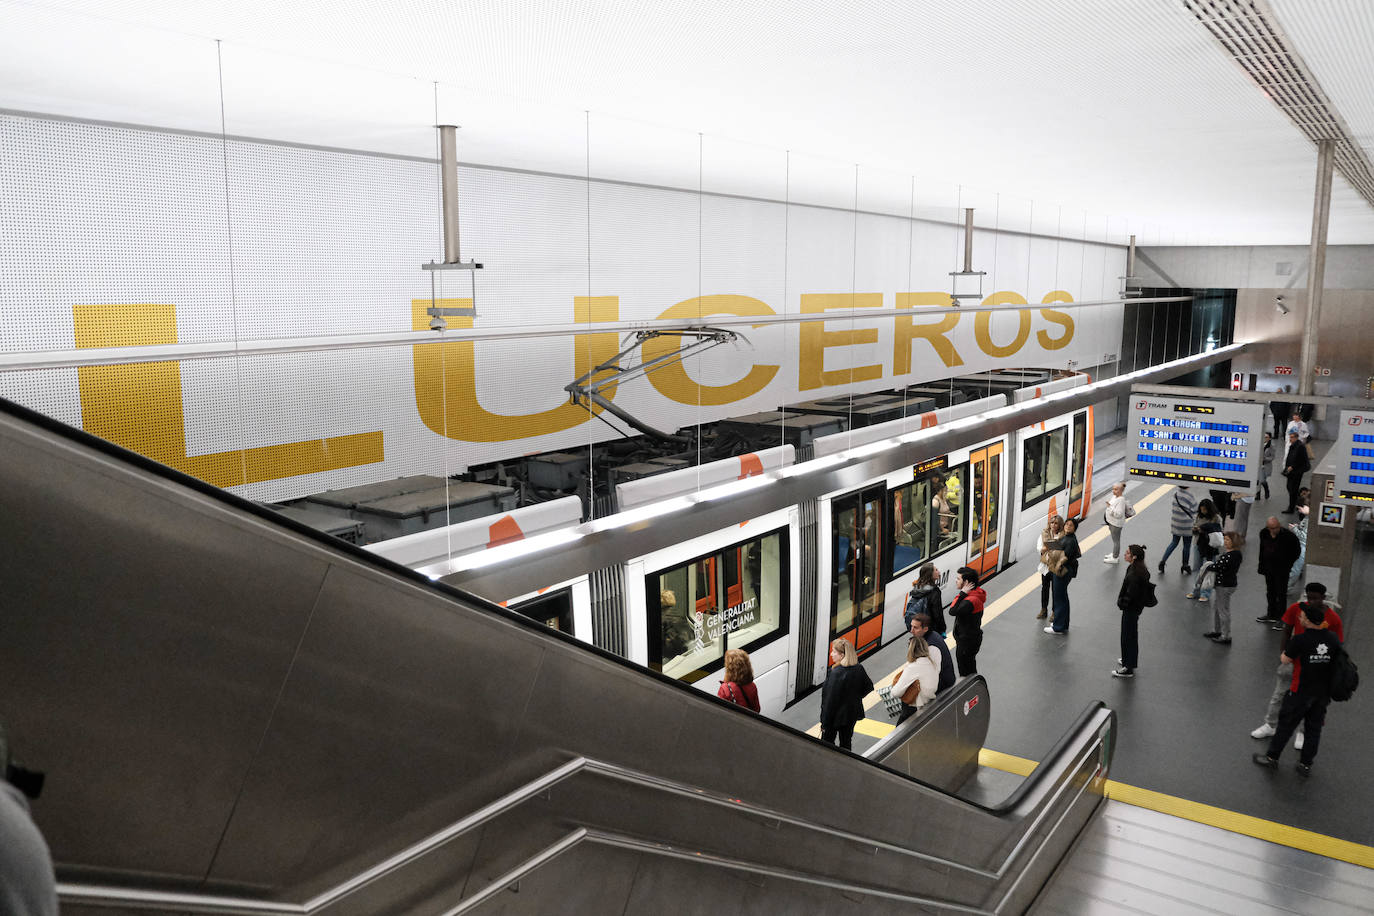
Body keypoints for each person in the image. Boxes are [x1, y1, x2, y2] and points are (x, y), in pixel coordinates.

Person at [1252, 603, 1341, 776]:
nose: (1300, 618)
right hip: (1322, 693)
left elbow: (1285, 659)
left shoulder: (1300, 640)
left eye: (1302, 616)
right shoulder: (1332, 638)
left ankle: (1272, 758)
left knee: (1286, 725)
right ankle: (1305, 764)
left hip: (1300, 690)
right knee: (1313, 729)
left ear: (1308, 620)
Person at [819, 638, 874, 750]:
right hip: (850, 715)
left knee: (827, 744)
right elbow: (868, 687)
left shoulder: (836, 673)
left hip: (834, 718)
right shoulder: (859, 668)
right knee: (846, 743)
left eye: (834, 652)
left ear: (842, 655)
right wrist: (854, 698)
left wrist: (824, 724)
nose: (831, 654)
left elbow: (829, 702)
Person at [1112, 545, 1152, 678]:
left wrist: (1122, 603)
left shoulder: (1135, 573)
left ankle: (1128, 667)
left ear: (1134, 557)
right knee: (1130, 635)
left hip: (1130, 609)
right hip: (1135, 609)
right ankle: (1128, 660)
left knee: (1127, 636)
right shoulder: (1138, 569)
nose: (1125, 554)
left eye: (1128, 553)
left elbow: (1131, 594)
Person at [1255, 516, 1301, 625]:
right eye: (1271, 528)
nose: (1273, 530)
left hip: (1282, 570)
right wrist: (1262, 565)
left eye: (1275, 528)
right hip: (1268, 568)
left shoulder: (1288, 536)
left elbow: (1296, 551)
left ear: (1279, 526)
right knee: (1270, 592)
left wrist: (1288, 564)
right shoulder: (1264, 533)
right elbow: (1262, 549)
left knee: (1281, 593)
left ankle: (1282, 617)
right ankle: (1271, 613)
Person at [1202, 532, 1243, 644]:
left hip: (1224, 585)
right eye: (1225, 539)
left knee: (1223, 610)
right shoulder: (1234, 554)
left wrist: (1209, 566)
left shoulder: (1231, 555)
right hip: (1226, 584)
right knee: (1217, 607)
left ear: (1234, 542)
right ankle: (1217, 630)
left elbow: (1218, 567)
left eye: (1228, 540)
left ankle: (1225, 635)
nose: (1225, 542)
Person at [891, 630, 939, 723]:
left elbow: (896, 692)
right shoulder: (931, 662)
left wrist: (892, 689)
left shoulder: (913, 667)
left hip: (915, 708)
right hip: (930, 700)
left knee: (898, 735)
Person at [1045, 517, 1081, 635]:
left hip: (1062, 571)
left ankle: (1058, 627)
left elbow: (1064, 556)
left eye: (1070, 525)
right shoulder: (1068, 537)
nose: (1067, 526)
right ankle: (1062, 623)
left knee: (1059, 598)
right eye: (1066, 524)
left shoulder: (1070, 541)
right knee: (1063, 597)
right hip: (1064, 571)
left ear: (1075, 528)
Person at [949, 566, 987, 674]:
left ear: (966, 583)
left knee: (965, 671)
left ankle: (971, 689)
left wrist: (962, 594)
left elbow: (952, 611)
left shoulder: (970, 601)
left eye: (958, 579)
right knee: (970, 665)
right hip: (971, 639)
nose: (956, 581)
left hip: (966, 642)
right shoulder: (976, 594)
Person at [1186, 499, 1223, 602]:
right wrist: (1195, 530)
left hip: (1211, 547)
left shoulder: (1216, 518)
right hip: (1198, 544)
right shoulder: (1198, 516)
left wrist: (1205, 529)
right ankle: (1195, 591)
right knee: (1196, 568)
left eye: (1205, 510)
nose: (1203, 512)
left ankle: (1205, 593)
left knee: (1208, 570)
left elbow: (1220, 532)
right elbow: (1194, 531)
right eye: (1201, 510)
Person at [911, 611, 955, 695]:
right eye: (911, 626)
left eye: (915, 628)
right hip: (945, 677)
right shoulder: (933, 635)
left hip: (943, 683)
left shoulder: (930, 647)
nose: (911, 630)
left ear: (925, 629)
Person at [1158, 486, 1197, 574]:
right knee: (1187, 545)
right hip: (1187, 525)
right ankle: (1185, 565)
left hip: (1176, 523)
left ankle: (1163, 562)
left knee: (1174, 543)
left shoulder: (1175, 494)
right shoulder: (1190, 496)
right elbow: (1195, 510)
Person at [1036, 515, 1066, 620]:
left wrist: (1049, 548)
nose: (1053, 525)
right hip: (1046, 566)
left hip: (1056, 566)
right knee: (1045, 588)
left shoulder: (1063, 535)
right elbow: (1040, 548)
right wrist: (1044, 549)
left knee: (1055, 589)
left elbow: (1063, 550)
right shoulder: (1044, 534)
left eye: (1056, 523)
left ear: (1060, 525)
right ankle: (1043, 610)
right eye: (1051, 523)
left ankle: (1054, 612)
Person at [904, 562, 945, 635]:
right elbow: (937, 614)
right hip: (930, 629)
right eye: (936, 570)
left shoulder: (917, 588)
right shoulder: (934, 591)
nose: (939, 572)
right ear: (930, 574)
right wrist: (942, 629)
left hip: (919, 628)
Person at [1102, 482, 1133, 564]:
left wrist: (1109, 507)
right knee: (1115, 540)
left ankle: (1115, 557)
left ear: (1121, 491)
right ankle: (1114, 554)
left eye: (1116, 489)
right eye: (1113, 489)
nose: (1113, 491)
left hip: (1116, 524)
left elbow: (1119, 514)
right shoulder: (1115, 497)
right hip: (1112, 523)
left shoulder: (1121, 500)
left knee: (1116, 541)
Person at [1281, 431, 1311, 514]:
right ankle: (1296, 503)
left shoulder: (1300, 446)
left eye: (1292, 437)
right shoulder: (1294, 445)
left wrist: (1292, 467)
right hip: (1292, 471)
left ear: (1296, 437)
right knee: (1290, 488)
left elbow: (1300, 459)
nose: (1290, 439)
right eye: (1290, 437)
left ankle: (1292, 507)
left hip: (1296, 471)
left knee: (1293, 489)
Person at [1258, 432, 1275, 500]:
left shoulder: (1271, 446)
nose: (1265, 438)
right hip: (1258, 465)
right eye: (1264, 437)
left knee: (1262, 480)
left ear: (1269, 438)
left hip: (1265, 466)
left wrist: (1265, 458)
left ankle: (1266, 490)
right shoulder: (1259, 443)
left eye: (1266, 437)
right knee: (1258, 480)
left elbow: (1272, 457)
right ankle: (1258, 495)